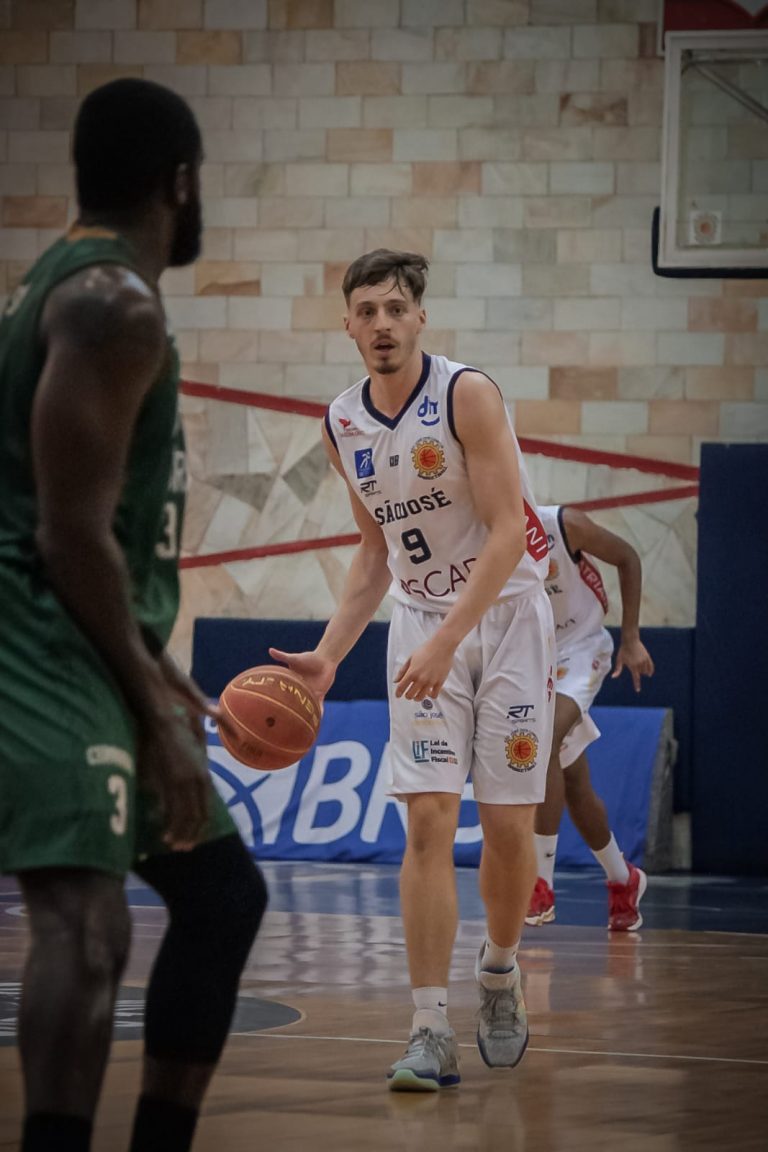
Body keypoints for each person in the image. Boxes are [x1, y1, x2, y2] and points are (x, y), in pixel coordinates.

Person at [0, 79, 267, 1152]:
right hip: (40, 642)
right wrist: (155, 713)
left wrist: (155, 672)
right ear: (181, 182)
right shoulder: (115, 305)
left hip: (88, 643)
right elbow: (68, 533)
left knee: (222, 897)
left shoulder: (65, 285)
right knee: (84, 925)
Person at [270, 249, 556, 1091]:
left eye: (396, 308)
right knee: (427, 824)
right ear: (348, 326)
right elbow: (373, 553)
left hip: (508, 621)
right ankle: (429, 1028)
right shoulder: (342, 424)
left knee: (508, 830)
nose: (382, 324)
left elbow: (506, 533)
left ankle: (498, 970)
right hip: (422, 621)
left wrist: (448, 640)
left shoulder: (468, 395)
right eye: (367, 311)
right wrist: (329, 655)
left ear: (420, 318)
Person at [525, 504, 655, 933]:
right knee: (574, 782)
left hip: (581, 650)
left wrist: (631, 638)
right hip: (533, 656)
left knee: (543, 739)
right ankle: (623, 879)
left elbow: (628, 557)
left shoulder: (563, 525)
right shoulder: (481, 536)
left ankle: (540, 882)